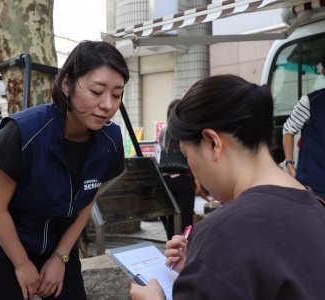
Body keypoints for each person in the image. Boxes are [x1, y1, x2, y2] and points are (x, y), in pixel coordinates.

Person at [130, 74, 325, 300]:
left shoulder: (222, 231)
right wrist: (202, 270)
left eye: (187, 155)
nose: (192, 169)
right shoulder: (317, 208)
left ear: (213, 142)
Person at [0, 40, 129, 300]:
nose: (107, 105)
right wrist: (21, 264)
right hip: (0, 241)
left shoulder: (111, 141)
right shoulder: (24, 132)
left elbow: (86, 202)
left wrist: (60, 257)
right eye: (97, 91)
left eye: (116, 94)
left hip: (57, 242)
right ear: (66, 84)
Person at [282, 53, 325, 199]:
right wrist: (289, 163)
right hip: (314, 187)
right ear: (324, 73)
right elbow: (288, 129)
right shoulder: (309, 102)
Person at [158, 99, 195, 240]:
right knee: (186, 216)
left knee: (171, 214)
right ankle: (185, 244)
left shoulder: (163, 131)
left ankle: (172, 242)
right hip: (184, 178)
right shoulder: (186, 130)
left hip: (166, 179)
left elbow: (160, 151)